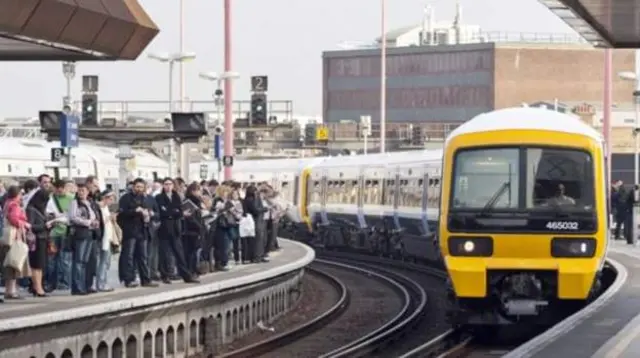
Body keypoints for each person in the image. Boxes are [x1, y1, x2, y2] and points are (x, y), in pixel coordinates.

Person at [155, 178, 199, 284]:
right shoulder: (159, 197)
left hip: (175, 228)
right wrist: (175, 212)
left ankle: (186, 276)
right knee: (164, 254)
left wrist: (174, 212)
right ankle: (165, 275)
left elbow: (178, 210)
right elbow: (162, 211)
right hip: (164, 229)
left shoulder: (176, 197)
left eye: (170, 184)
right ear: (163, 186)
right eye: (166, 184)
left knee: (179, 253)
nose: (168, 186)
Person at [117, 178, 158, 288]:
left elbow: (156, 212)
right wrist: (135, 211)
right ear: (133, 187)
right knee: (129, 256)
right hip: (130, 231)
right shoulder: (126, 198)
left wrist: (150, 214)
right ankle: (129, 279)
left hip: (143, 230)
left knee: (143, 256)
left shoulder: (147, 198)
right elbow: (121, 214)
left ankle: (146, 279)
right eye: (137, 187)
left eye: (141, 187)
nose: (139, 189)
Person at [68, 184, 101, 296]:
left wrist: (95, 222)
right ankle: (77, 287)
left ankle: (85, 285)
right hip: (81, 233)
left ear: (87, 192)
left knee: (85, 261)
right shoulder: (75, 203)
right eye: (79, 190)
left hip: (90, 233)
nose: (81, 193)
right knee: (79, 260)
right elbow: (73, 217)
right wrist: (87, 222)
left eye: (83, 190)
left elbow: (94, 215)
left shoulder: (90, 203)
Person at [0, 185, 31, 301]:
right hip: (12, 238)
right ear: (17, 195)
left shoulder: (6, 203)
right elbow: (14, 219)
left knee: (7, 263)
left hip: (5, 237)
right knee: (13, 263)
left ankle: (10, 290)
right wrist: (24, 224)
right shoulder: (14, 205)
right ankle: (11, 290)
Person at [45, 179, 73, 291]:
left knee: (65, 259)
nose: (59, 191)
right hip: (53, 232)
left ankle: (65, 282)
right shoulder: (51, 199)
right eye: (57, 189)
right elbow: (48, 213)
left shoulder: (72, 199)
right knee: (52, 259)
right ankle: (51, 282)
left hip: (66, 232)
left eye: (62, 189)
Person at [26, 189, 54, 297]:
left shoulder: (40, 209)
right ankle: (37, 288)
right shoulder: (31, 209)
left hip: (43, 238)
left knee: (41, 265)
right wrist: (44, 226)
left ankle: (39, 286)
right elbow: (30, 226)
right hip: (36, 240)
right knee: (36, 265)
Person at [96, 190, 118, 292]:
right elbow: (100, 222)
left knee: (106, 262)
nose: (112, 202)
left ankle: (103, 282)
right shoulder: (99, 207)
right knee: (102, 262)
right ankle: (101, 283)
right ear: (105, 198)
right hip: (102, 238)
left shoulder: (105, 208)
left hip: (108, 237)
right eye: (111, 199)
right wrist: (109, 218)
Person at [183, 183, 206, 276]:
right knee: (190, 252)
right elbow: (190, 217)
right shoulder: (189, 201)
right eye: (198, 190)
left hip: (198, 228)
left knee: (195, 250)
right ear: (192, 191)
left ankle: (194, 269)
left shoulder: (198, 201)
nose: (200, 192)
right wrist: (199, 226)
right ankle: (190, 270)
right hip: (191, 230)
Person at [243, 185, 269, 263]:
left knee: (259, 240)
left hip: (255, 221)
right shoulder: (250, 200)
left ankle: (258, 255)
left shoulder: (250, 199)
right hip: (254, 221)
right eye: (255, 191)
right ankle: (257, 256)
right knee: (258, 240)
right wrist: (265, 209)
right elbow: (256, 210)